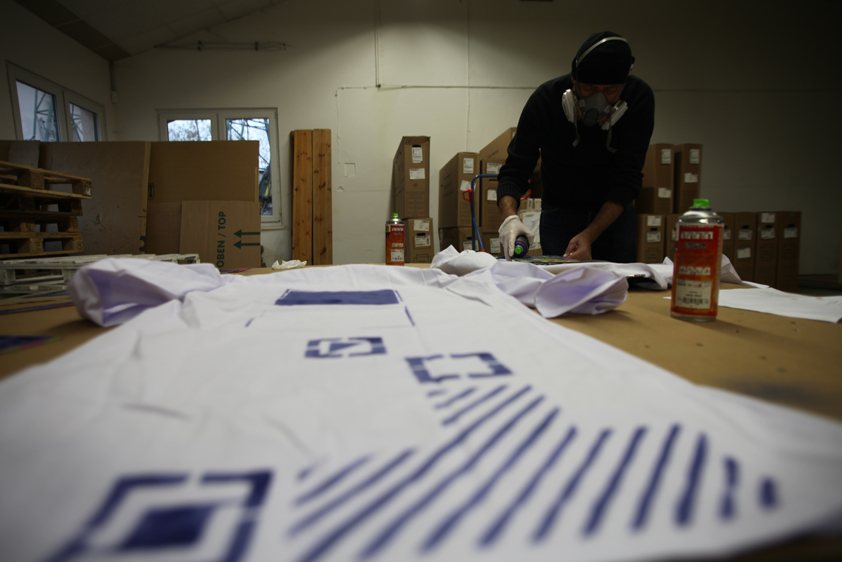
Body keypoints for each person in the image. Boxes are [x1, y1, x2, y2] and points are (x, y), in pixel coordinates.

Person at [495, 31, 654, 262]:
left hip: (613, 214)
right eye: (589, 88)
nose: (598, 99)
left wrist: (590, 234)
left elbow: (628, 179)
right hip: (560, 212)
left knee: (618, 279)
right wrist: (509, 217)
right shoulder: (546, 100)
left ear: (623, 86)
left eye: (610, 90)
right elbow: (514, 170)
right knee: (560, 280)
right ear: (574, 80)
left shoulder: (639, 99)